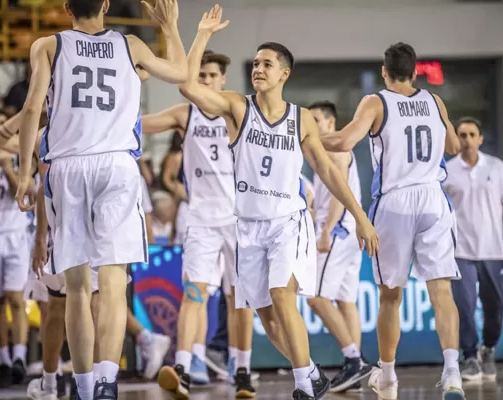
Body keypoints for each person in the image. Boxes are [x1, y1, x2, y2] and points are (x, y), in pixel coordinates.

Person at [179, 6, 378, 400]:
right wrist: (201, 35)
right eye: (255, 63)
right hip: (248, 227)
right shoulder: (237, 107)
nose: (258, 69)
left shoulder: (301, 119)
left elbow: (328, 171)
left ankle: (306, 384)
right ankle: (313, 374)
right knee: (268, 318)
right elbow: (188, 87)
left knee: (283, 296)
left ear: (284, 73)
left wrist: (360, 216)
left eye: (267, 64)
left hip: (288, 222)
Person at [15, 0, 188, 399]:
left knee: (76, 288)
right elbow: (182, 73)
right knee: (111, 284)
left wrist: (26, 173)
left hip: (68, 167)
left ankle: (84, 386)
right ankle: (108, 382)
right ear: (106, 5)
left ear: (65, 7)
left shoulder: (48, 45)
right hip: (116, 167)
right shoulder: (130, 45)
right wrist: (171, 26)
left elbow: (30, 109)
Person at [320, 42, 465, 400]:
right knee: (442, 292)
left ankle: (387, 378)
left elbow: (342, 142)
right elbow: (453, 147)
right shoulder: (434, 100)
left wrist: (304, 137)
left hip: (396, 201)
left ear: (384, 72)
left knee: (390, 296)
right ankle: (452, 374)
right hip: (433, 197)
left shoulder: (376, 102)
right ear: (415, 72)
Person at [143, 49, 257, 398]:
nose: (206, 81)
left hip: (238, 218)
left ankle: (242, 371)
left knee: (240, 300)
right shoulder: (185, 114)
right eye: (201, 76)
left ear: (223, 79)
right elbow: (139, 124)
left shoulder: (238, 112)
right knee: (193, 295)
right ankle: (182, 367)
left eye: (211, 76)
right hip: (201, 220)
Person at [442, 116, 503, 382]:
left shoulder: (497, 168)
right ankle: (469, 356)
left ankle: (488, 348)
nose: (466, 140)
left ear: (480, 138)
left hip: (494, 250)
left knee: (495, 305)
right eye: (461, 135)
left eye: (471, 134)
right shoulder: (446, 171)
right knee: (464, 306)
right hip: (460, 251)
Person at [305, 101, 373, 393]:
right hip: (347, 234)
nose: (312, 124)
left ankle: (353, 360)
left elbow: (337, 194)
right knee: (346, 301)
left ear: (331, 123)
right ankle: (355, 368)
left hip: (338, 232)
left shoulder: (336, 149)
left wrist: (326, 231)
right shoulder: (321, 151)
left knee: (316, 298)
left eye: (316, 120)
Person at [0, 109, 32, 388]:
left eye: (0, 124)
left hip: (16, 233)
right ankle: (3, 359)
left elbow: (26, 194)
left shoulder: (21, 153)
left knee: (16, 299)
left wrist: (7, 168)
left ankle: (20, 358)